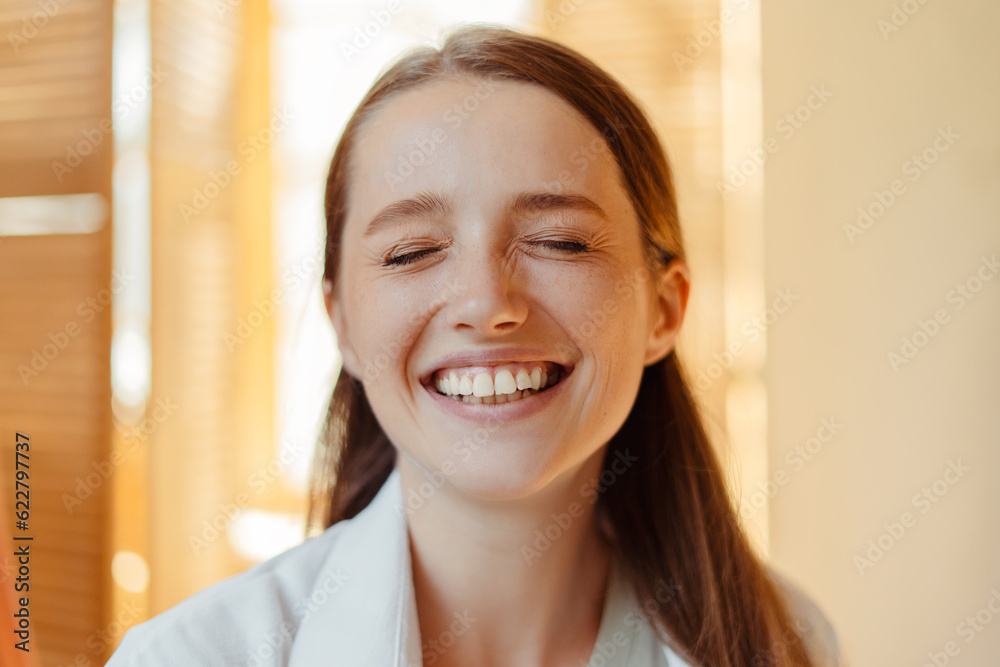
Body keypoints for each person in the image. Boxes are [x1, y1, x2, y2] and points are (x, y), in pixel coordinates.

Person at [107, 24, 844, 667]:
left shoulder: (786, 640)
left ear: (663, 308)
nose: (488, 303)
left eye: (559, 240)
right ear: (344, 327)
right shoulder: (188, 658)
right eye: (411, 252)